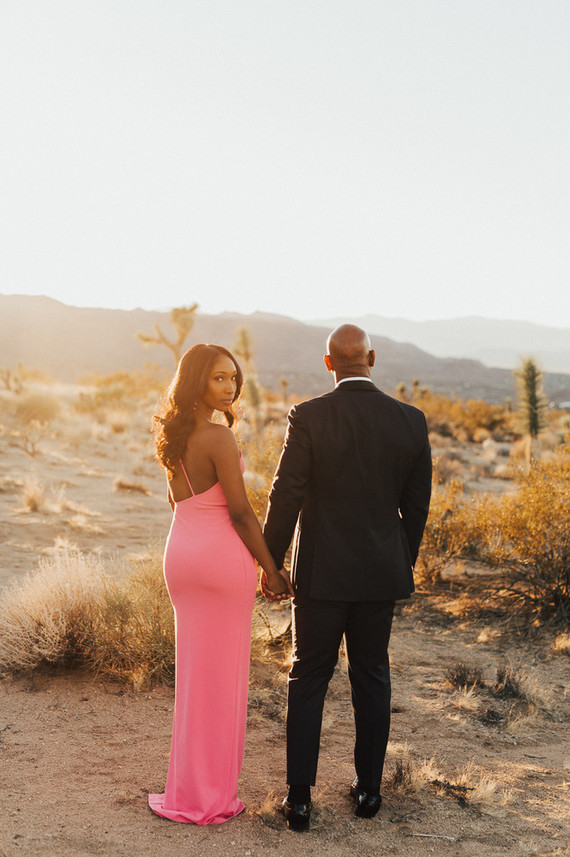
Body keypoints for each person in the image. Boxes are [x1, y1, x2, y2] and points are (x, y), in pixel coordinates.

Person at [261, 324, 432, 831]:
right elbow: (416, 506)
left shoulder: (309, 416)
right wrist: (400, 562)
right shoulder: (410, 420)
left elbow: (285, 493)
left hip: (321, 576)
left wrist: (271, 564)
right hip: (380, 574)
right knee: (372, 677)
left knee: (308, 677)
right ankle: (369, 793)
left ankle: (299, 801)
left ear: (329, 363)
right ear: (372, 359)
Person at [148, 343, 289, 825]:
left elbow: (176, 502)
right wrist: (272, 568)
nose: (230, 387)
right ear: (196, 383)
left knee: (195, 679)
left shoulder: (172, 433)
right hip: (220, 561)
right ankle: (209, 799)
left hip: (181, 555)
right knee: (222, 680)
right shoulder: (219, 438)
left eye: (233, 378)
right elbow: (241, 512)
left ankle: (188, 791)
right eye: (218, 379)